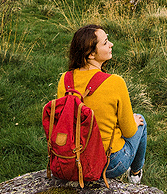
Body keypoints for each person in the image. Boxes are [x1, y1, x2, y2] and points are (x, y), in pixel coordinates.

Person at [62, 23, 147, 183]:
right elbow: (129, 132)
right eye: (105, 42)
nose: (111, 44)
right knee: (140, 121)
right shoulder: (115, 82)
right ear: (91, 54)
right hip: (109, 163)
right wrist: (133, 122)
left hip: (72, 158)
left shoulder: (65, 80)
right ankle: (135, 174)